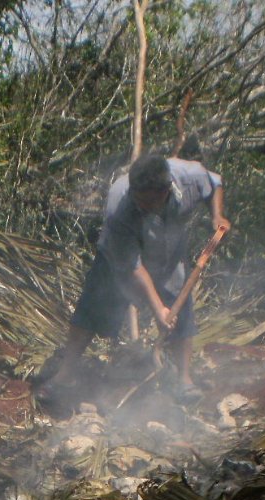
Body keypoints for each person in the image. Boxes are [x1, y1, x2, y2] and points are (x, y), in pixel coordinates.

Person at [44, 152, 229, 402]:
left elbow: (214, 183)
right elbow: (133, 267)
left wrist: (217, 215)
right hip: (118, 260)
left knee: (181, 307)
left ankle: (184, 381)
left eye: (146, 202)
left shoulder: (188, 176)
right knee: (90, 307)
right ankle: (63, 376)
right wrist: (159, 310)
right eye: (137, 199)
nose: (139, 204)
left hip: (168, 255)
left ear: (164, 191)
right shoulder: (119, 203)